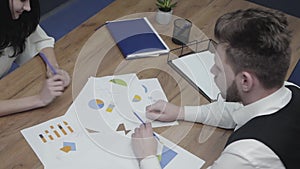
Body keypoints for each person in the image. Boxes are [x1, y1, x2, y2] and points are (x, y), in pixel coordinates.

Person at [131, 8, 300, 169]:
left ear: (245, 81)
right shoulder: (287, 90)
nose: (212, 71)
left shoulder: (247, 155)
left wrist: (147, 157)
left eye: (219, 69)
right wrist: (180, 112)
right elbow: (234, 112)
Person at [0, 0, 70, 116]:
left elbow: (39, 41)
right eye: (22, 0)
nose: (28, 7)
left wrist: (53, 69)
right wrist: (38, 100)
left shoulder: (14, 16)